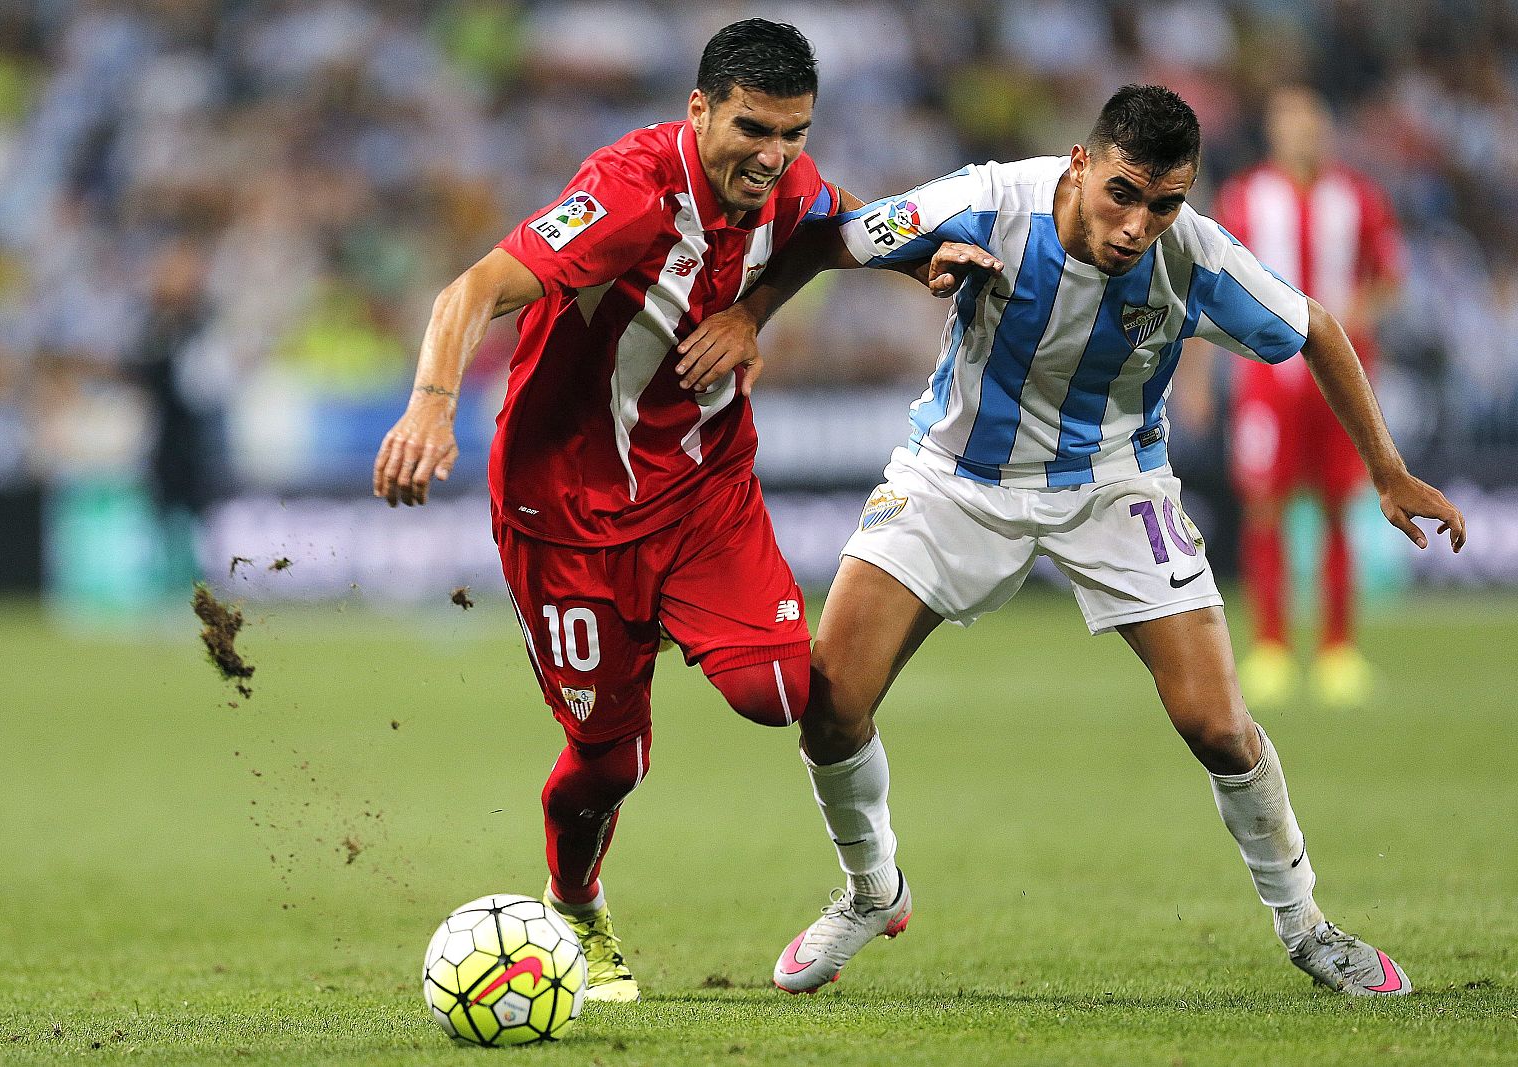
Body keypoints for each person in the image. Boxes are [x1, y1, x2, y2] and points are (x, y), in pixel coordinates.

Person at [674, 84, 1464, 997]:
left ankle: (1308, 926)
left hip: (1114, 483)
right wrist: (751, 315)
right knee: (829, 701)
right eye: (1123, 193)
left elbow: (1318, 328)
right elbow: (835, 232)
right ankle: (869, 888)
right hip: (957, 475)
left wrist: (1388, 470)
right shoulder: (991, 200)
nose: (1138, 225)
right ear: (1081, 164)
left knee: (1216, 722)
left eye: (1164, 204)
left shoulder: (1196, 256)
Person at [372, 20, 863, 1003]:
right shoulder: (627, 196)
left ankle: (869, 873)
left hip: (700, 491)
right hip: (562, 511)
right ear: (699, 110)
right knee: (607, 759)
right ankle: (576, 905)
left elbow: (838, 228)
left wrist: (757, 311)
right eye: (753, 129)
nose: (772, 157)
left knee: (776, 688)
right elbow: (469, 290)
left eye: (793, 134)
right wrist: (431, 405)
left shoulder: (787, 185)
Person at [1213, 86, 1405, 709]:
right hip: (1267, 383)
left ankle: (1337, 649)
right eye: (1291, 124)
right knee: (1265, 505)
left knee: (1336, 507)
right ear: (1274, 131)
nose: (1303, 135)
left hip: (1341, 381)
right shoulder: (1244, 198)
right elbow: (1206, 281)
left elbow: (1387, 279)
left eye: (1312, 123)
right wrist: (1192, 377)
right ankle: (1270, 645)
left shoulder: (1358, 198)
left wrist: (1356, 315)